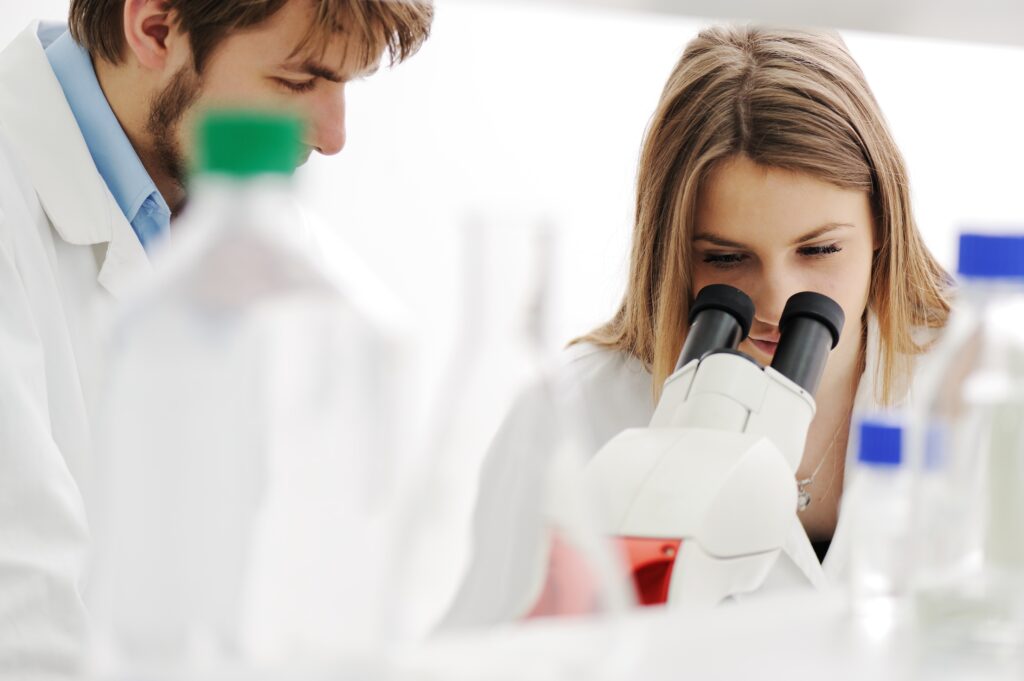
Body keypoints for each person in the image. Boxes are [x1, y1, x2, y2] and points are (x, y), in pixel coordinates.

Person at [445, 25, 951, 627]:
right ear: (672, 254)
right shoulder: (570, 415)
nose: (777, 303)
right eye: (726, 259)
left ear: (881, 228)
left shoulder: (977, 383)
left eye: (817, 251)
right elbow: (476, 654)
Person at [0, 0, 432, 674]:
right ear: (155, 28)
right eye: (298, 82)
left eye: (345, 85)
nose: (333, 134)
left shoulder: (271, 249)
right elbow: (21, 612)